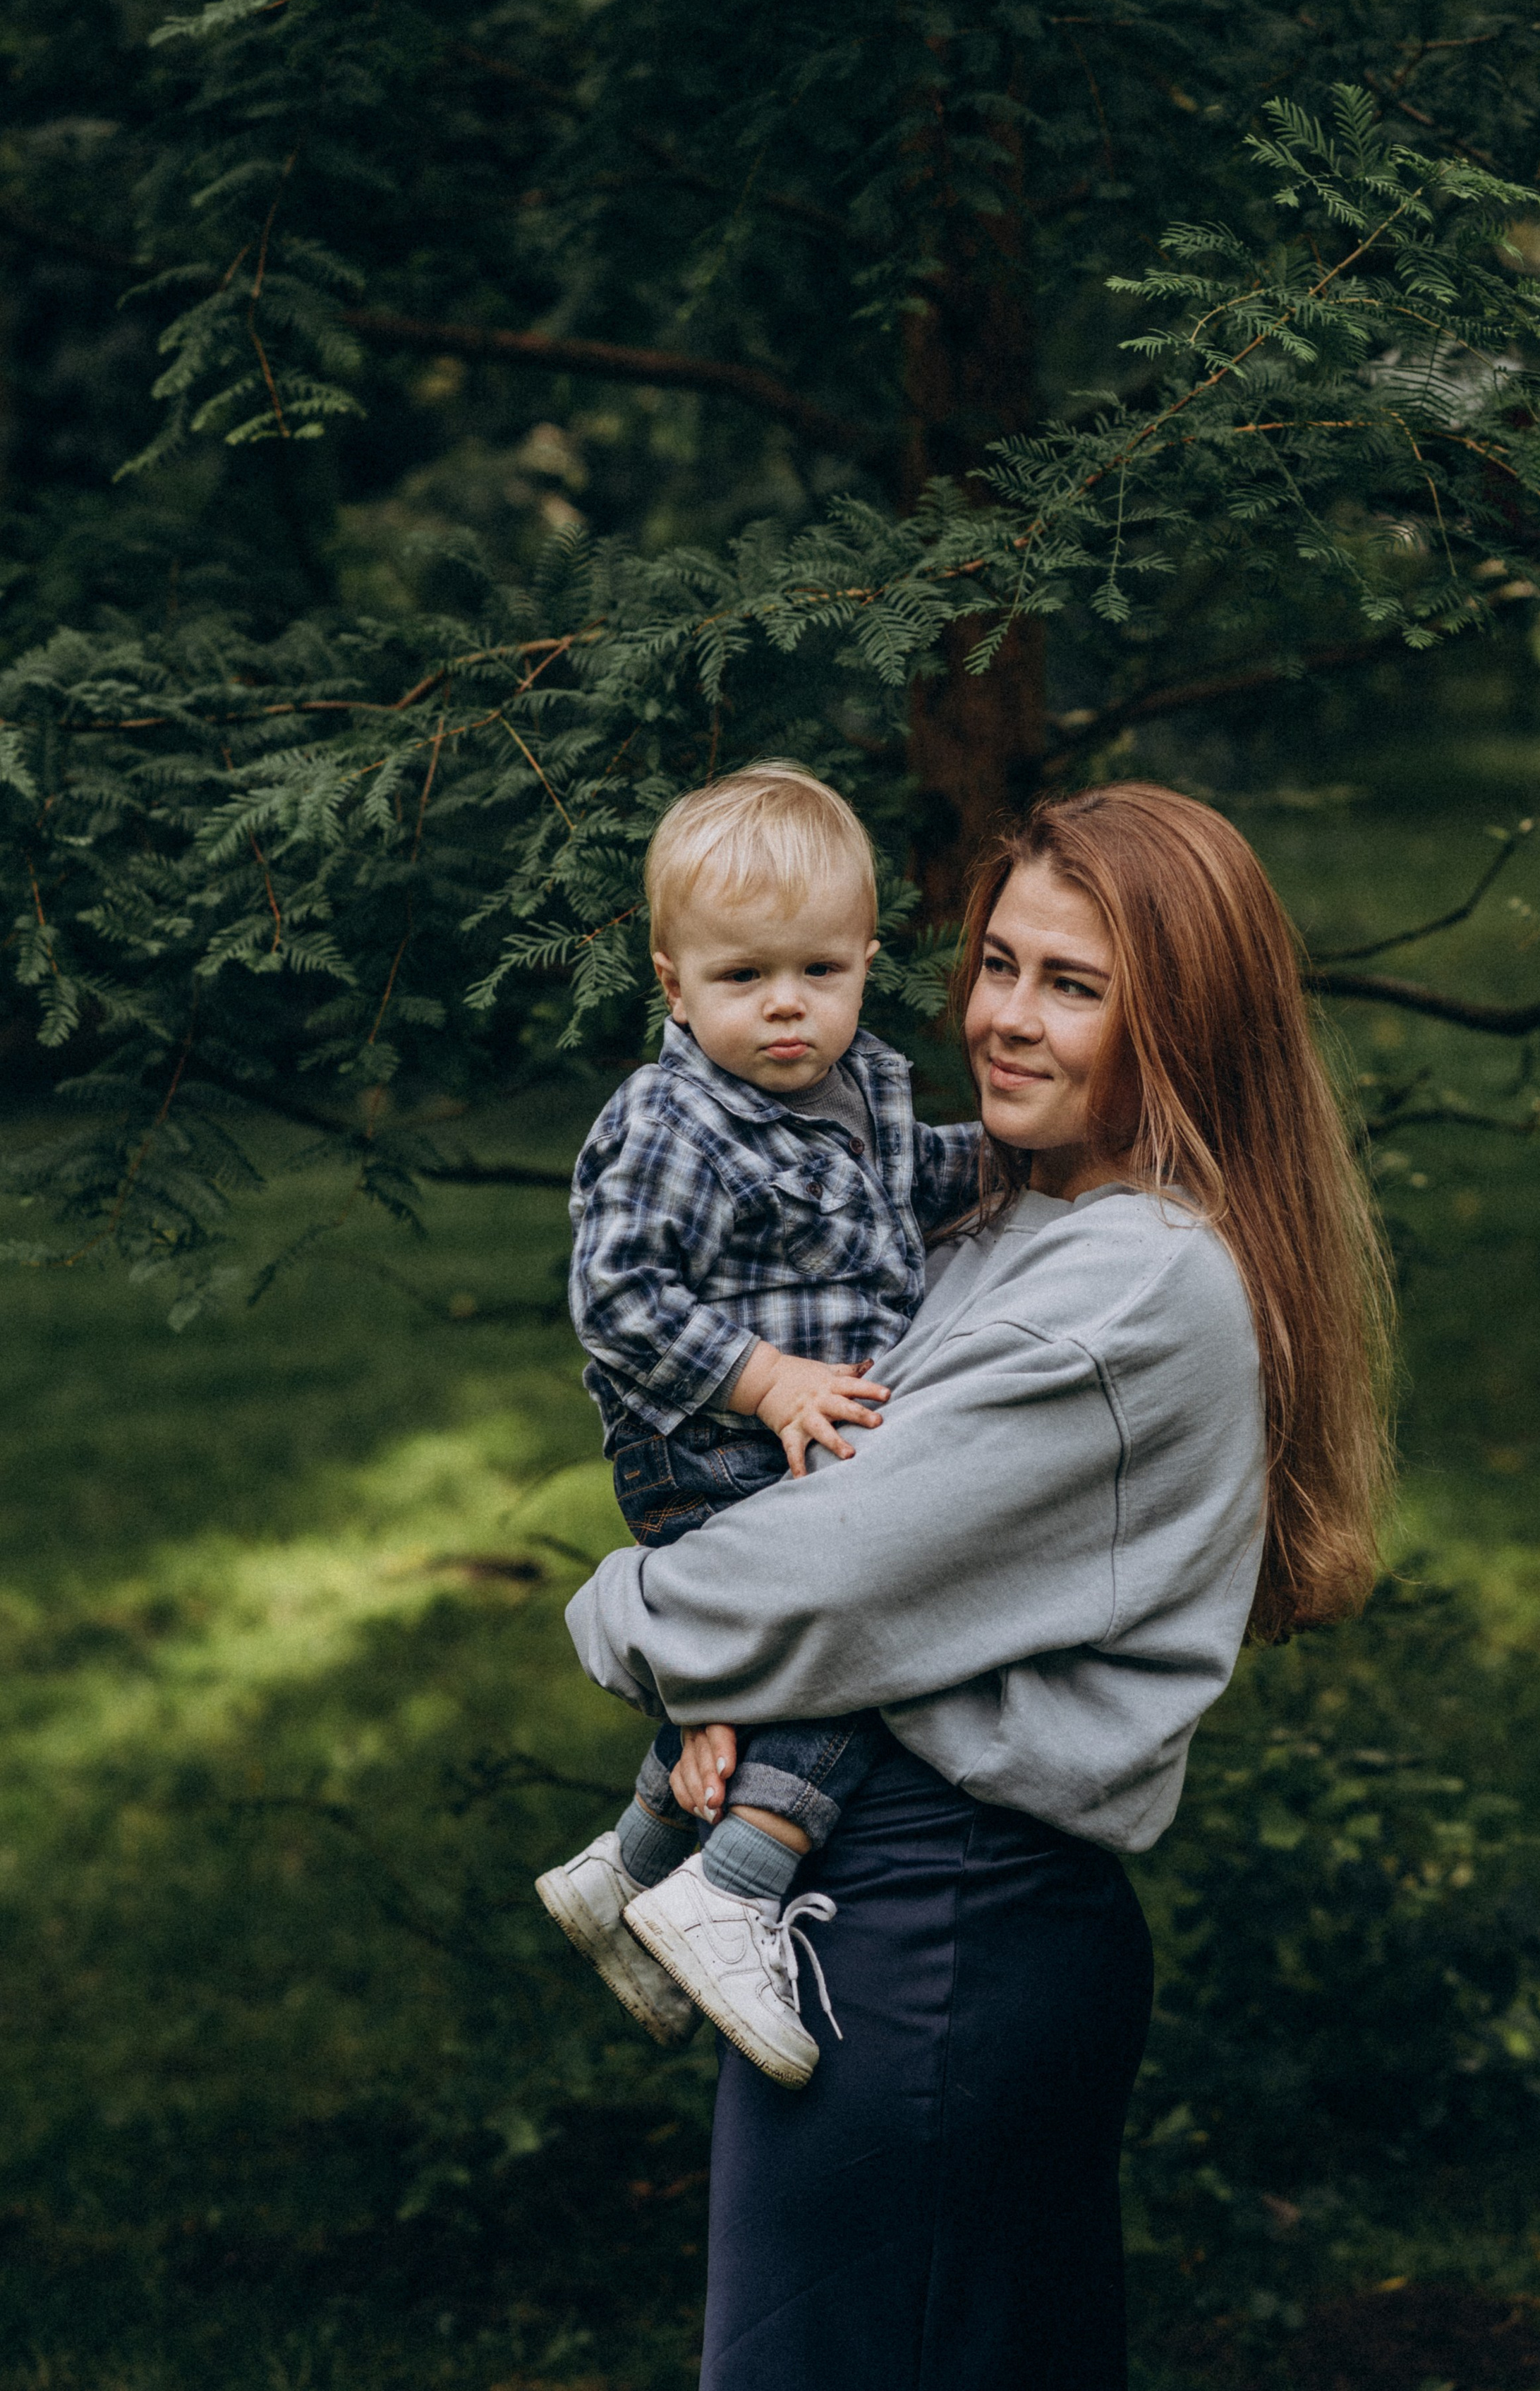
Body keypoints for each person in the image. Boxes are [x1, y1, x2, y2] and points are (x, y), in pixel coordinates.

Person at [562, 781, 1393, 2391]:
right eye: (999, 964)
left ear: (1184, 1019)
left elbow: (810, 1581)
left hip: (940, 1920)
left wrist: (624, 1616)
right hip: (861, 1906)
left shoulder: (1131, 1282)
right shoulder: (1015, 1215)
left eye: (1071, 987)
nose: (1005, 1019)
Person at [535, 763, 980, 2085]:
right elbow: (614, 1295)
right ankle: (737, 1887)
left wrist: (1045, 1160)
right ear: (673, 986)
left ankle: (630, 1867)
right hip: (705, 1438)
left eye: (819, 973)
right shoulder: (675, 1119)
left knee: (792, 1642)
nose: (787, 1007)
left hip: (780, 1431)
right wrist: (764, 1377)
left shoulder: (855, 1088)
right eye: (743, 980)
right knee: (859, 1625)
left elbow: (924, 1180)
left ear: (864, 963)